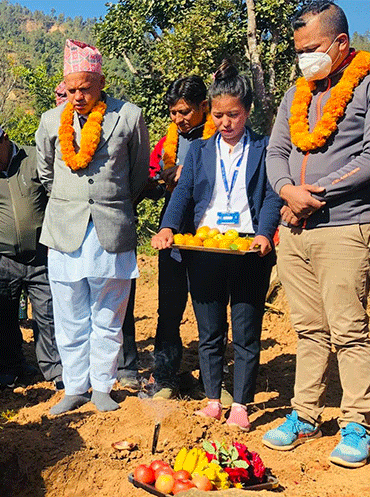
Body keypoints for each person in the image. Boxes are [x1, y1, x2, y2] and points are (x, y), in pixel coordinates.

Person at [261, 0, 370, 468]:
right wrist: (286, 189)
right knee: (307, 330)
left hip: (345, 227)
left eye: (314, 47)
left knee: (348, 330)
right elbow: (276, 151)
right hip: (295, 230)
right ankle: (304, 414)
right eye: (299, 49)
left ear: (341, 43)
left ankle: (357, 422)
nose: (305, 57)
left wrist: (314, 192)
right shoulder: (295, 93)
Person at [151, 61, 282, 431]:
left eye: (235, 115)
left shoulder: (265, 148)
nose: (227, 123)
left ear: (248, 111)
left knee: (245, 330)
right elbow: (184, 196)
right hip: (205, 247)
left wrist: (264, 233)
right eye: (220, 115)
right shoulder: (199, 151)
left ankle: (240, 402)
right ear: (211, 110)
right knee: (209, 331)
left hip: (247, 249)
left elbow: (272, 196)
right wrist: (168, 227)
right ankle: (212, 399)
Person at [36, 39, 149, 415]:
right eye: (71, 89)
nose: (78, 96)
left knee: (108, 313)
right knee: (68, 313)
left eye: (85, 88)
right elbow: (46, 174)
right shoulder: (51, 120)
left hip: (111, 227)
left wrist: (109, 202)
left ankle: (102, 385)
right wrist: (71, 202)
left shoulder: (128, 116)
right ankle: (75, 387)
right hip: (65, 228)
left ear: (101, 82)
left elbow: (136, 176)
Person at [0, 111, 62, 389]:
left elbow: (57, 198)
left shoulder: (35, 160)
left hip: (43, 256)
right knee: (2, 315)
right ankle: (10, 367)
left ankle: (54, 370)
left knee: (48, 315)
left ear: (4, 138)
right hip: (2, 259)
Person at [143, 76, 218, 400]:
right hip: (171, 236)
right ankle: (165, 377)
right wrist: (161, 180)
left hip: (210, 237)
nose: (178, 119)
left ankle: (213, 380)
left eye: (185, 111)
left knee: (210, 310)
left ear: (204, 106)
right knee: (169, 309)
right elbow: (151, 181)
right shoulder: (165, 143)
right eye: (174, 113)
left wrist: (188, 171)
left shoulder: (221, 137)